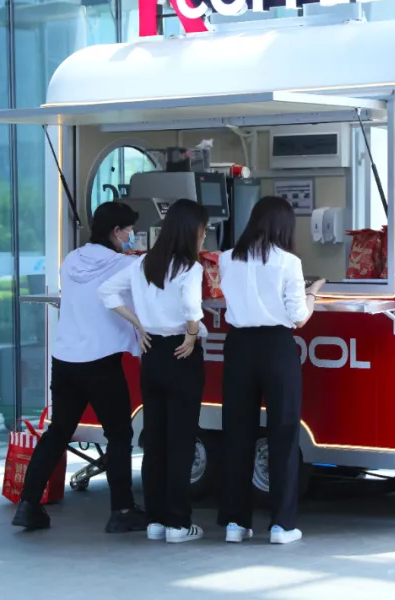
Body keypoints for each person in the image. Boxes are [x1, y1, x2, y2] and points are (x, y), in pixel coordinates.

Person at [13, 201, 148, 533]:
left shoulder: (71, 260)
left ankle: (28, 504)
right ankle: (122, 509)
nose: (132, 235)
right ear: (116, 231)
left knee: (59, 432)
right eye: (130, 230)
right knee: (119, 435)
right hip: (101, 362)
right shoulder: (125, 265)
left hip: (65, 360)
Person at [99, 198, 209, 544]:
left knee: (156, 441)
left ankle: (156, 520)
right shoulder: (190, 267)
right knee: (181, 441)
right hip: (181, 354)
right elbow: (192, 307)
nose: (205, 237)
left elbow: (107, 292)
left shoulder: (143, 263)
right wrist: (192, 334)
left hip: (152, 355)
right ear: (191, 232)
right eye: (203, 230)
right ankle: (178, 524)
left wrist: (139, 324)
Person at [216, 196, 324, 545]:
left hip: (238, 346)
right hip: (277, 347)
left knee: (237, 433)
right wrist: (312, 294)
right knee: (283, 433)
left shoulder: (227, 258)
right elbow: (298, 317)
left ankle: (235, 523)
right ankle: (281, 525)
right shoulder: (289, 262)